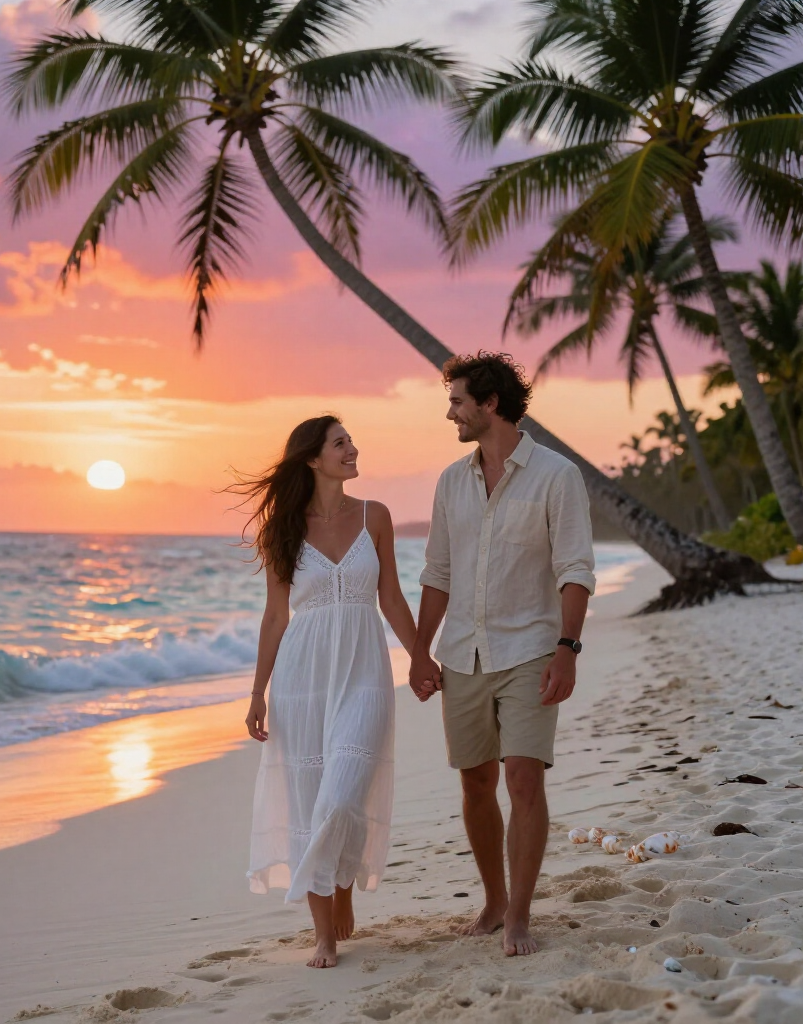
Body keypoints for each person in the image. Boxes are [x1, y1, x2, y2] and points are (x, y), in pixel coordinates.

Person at [409, 353, 596, 957]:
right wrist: (419, 650)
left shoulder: (556, 476)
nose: (450, 413)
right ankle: (492, 900)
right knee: (475, 782)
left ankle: (518, 915)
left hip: (530, 650)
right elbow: (437, 573)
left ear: (490, 404)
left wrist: (567, 649)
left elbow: (574, 570)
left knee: (523, 780)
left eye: (458, 402)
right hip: (463, 651)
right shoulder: (449, 482)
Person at [237, 416, 417, 969]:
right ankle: (323, 935)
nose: (353, 448)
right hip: (302, 679)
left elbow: (390, 597)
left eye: (351, 441)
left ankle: (341, 881)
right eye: (341, 443)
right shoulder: (283, 530)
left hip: (364, 669)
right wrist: (257, 692)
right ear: (313, 459)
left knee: (343, 795)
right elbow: (274, 616)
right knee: (310, 799)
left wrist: (422, 656)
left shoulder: (376, 516)